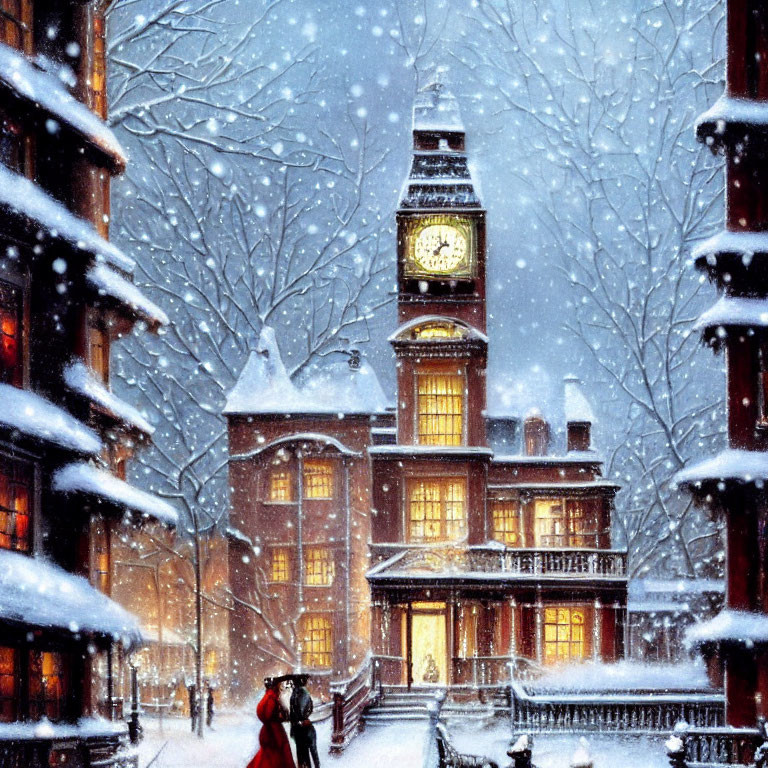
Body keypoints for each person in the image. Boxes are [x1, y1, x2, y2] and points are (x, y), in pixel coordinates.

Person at [246, 677, 296, 768]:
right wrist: (279, 716)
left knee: (268, 756)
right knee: (275, 757)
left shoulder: (270, 696)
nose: (281, 687)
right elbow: (269, 715)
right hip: (273, 732)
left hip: (270, 731)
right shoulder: (271, 697)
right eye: (279, 685)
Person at [289, 674, 319, 768]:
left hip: (298, 729)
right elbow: (306, 710)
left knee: (302, 753)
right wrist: (302, 720)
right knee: (311, 751)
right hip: (304, 728)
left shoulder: (295, 693)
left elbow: (296, 712)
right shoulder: (302, 693)